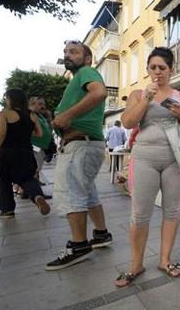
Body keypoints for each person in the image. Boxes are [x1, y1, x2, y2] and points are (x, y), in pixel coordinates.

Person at [114, 47, 180, 287]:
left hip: (176, 159)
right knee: (140, 214)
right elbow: (128, 122)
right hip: (144, 158)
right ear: (148, 70)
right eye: (153, 68)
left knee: (172, 211)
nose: (157, 72)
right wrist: (146, 100)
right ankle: (136, 264)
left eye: (162, 68)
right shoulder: (138, 93)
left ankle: (164, 259)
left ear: (171, 70)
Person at [46, 40, 113, 271]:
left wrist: (67, 116)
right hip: (86, 143)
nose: (67, 55)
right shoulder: (79, 77)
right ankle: (101, 234)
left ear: (87, 58)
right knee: (87, 191)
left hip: (80, 143)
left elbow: (99, 93)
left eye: (74, 52)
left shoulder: (87, 72)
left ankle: (78, 245)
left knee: (71, 192)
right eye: (65, 51)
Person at [0, 88, 50, 218]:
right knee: (28, 179)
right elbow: (39, 133)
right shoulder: (32, 115)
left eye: (7, 98)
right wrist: (24, 132)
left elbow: (1, 134)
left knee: (4, 181)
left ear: (11, 99)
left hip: (7, 152)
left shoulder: (5, 113)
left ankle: (7, 210)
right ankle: (37, 196)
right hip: (26, 153)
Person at [29, 97, 53, 185]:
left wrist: (49, 118)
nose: (43, 106)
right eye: (40, 104)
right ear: (32, 105)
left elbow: (49, 130)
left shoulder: (41, 116)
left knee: (37, 168)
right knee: (34, 168)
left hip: (41, 147)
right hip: (34, 147)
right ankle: (34, 191)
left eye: (43, 104)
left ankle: (34, 186)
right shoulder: (30, 115)